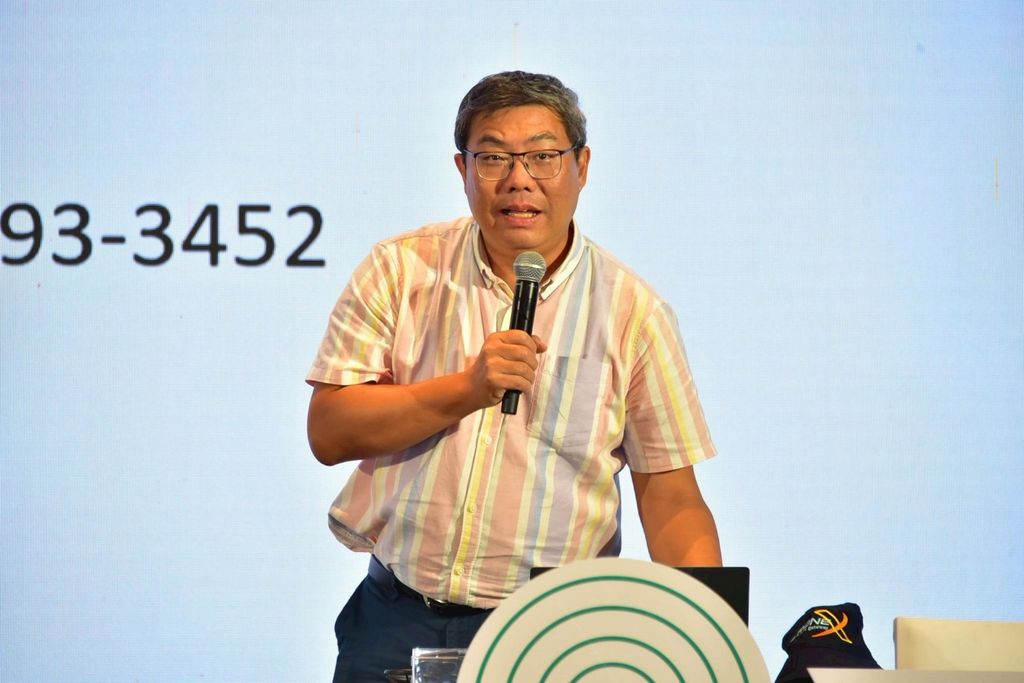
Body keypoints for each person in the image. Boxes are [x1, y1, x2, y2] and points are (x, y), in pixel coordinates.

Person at [306, 70, 721, 681]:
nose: (518, 179)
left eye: (543, 157)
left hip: (556, 628)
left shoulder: (633, 313)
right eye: (494, 157)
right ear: (463, 169)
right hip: (397, 616)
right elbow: (329, 431)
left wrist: (709, 641)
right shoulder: (401, 269)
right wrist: (467, 390)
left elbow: (671, 496)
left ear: (581, 167)